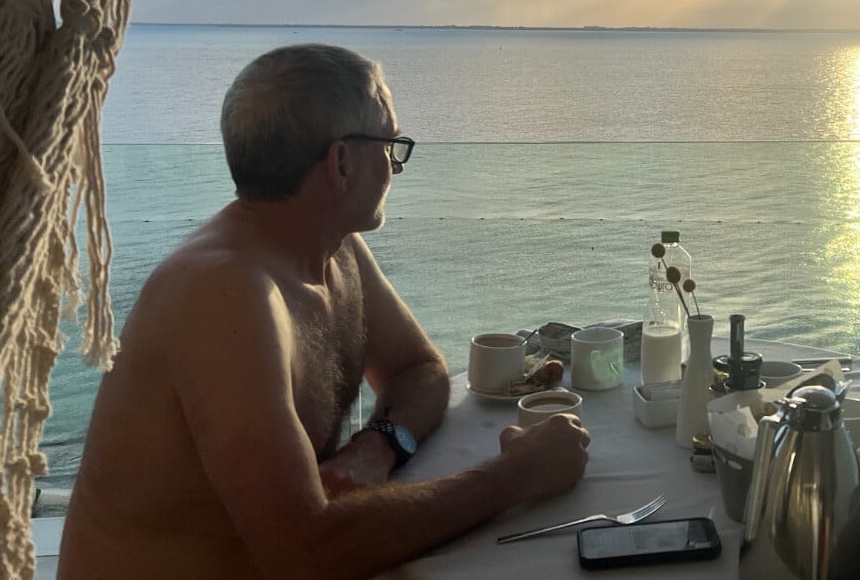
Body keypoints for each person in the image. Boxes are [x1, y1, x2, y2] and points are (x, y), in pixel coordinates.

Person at [59, 44, 591, 579]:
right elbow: (305, 553)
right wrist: (515, 475)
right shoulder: (224, 296)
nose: (394, 165)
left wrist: (378, 446)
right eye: (391, 145)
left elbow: (418, 370)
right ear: (341, 162)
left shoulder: (330, 249)